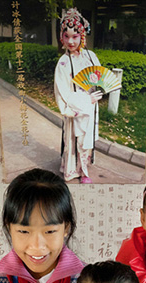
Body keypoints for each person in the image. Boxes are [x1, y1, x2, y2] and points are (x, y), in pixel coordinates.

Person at [53, 8, 102, 183]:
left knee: (87, 139)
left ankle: (85, 166)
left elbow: (99, 77)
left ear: (82, 35)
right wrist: (84, 100)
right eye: (67, 36)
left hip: (91, 105)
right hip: (78, 106)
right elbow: (63, 92)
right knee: (76, 140)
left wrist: (98, 90)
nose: (71, 41)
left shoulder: (91, 56)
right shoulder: (64, 62)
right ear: (62, 37)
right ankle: (78, 171)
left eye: (75, 36)